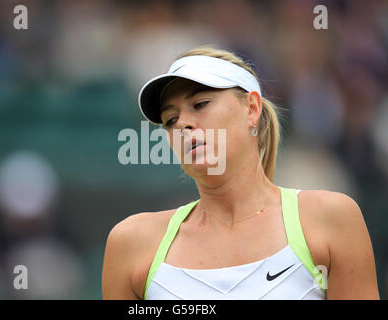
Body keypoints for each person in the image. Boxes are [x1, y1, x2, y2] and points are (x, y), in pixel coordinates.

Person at [102, 46, 380, 300]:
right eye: (170, 119)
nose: (182, 124)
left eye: (200, 104)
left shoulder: (331, 218)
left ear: (252, 108)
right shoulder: (131, 244)